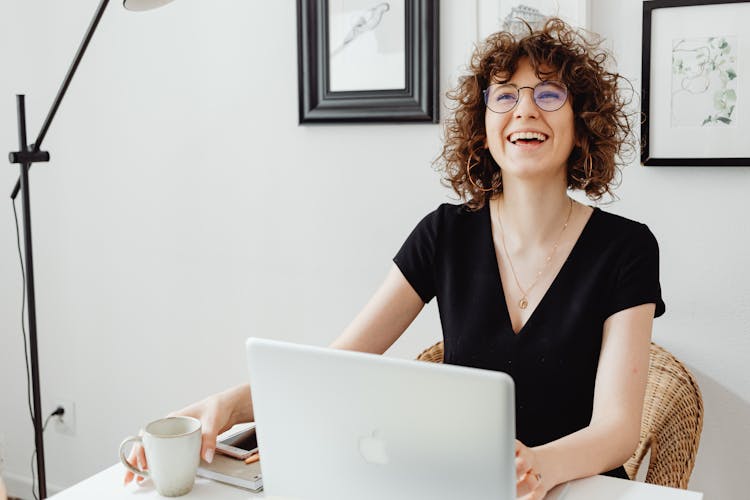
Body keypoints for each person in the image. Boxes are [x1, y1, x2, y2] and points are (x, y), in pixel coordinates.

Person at [125, 18, 663, 499]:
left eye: (548, 95)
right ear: (484, 125)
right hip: (461, 487)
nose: (524, 109)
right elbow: (335, 364)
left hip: (576, 488)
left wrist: (535, 470)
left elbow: (616, 431)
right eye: (505, 95)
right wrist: (228, 406)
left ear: (582, 122)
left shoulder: (627, 248)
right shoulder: (444, 234)